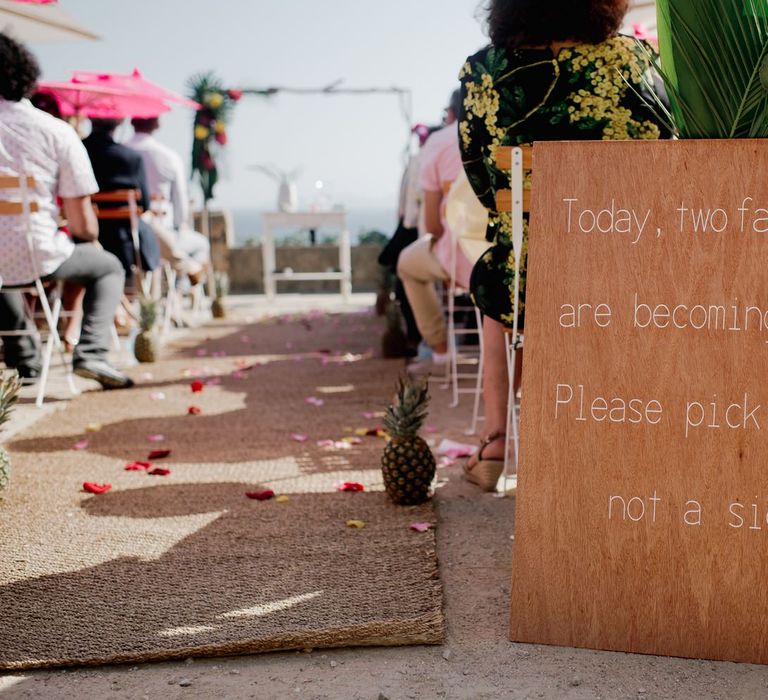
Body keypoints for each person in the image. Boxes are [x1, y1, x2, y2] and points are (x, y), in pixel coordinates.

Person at [459, 0, 671, 489]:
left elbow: (481, 179)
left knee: (498, 280)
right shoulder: (630, 59)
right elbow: (666, 146)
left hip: (530, 272)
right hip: (624, 262)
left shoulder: (485, 71)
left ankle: (496, 444)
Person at [0, 32, 133, 389]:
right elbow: (83, 225)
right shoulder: (55, 132)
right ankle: (90, 351)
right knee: (108, 267)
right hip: (38, 255)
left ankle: (25, 358)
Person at [397, 90, 474, 370]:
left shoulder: (440, 141)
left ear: (452, 113)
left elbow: (432, 226)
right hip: (510, 259)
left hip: (461, 260)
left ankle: (440, 352)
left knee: (407, 264)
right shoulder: (510, 132)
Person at [126, 117, 210, 283]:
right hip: (158, 235)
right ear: (157, 124)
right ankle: (180, 291)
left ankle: (180, 282)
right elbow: (181, 203)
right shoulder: (168, 157)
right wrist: (182, 226)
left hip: (121, 235)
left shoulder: (122, 152)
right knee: (201, 244)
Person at [82, 118, 161, 286]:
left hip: (86, 234)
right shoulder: (131, 157)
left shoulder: (78, 151)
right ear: (118, 123)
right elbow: (144, 205)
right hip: (124, 239)